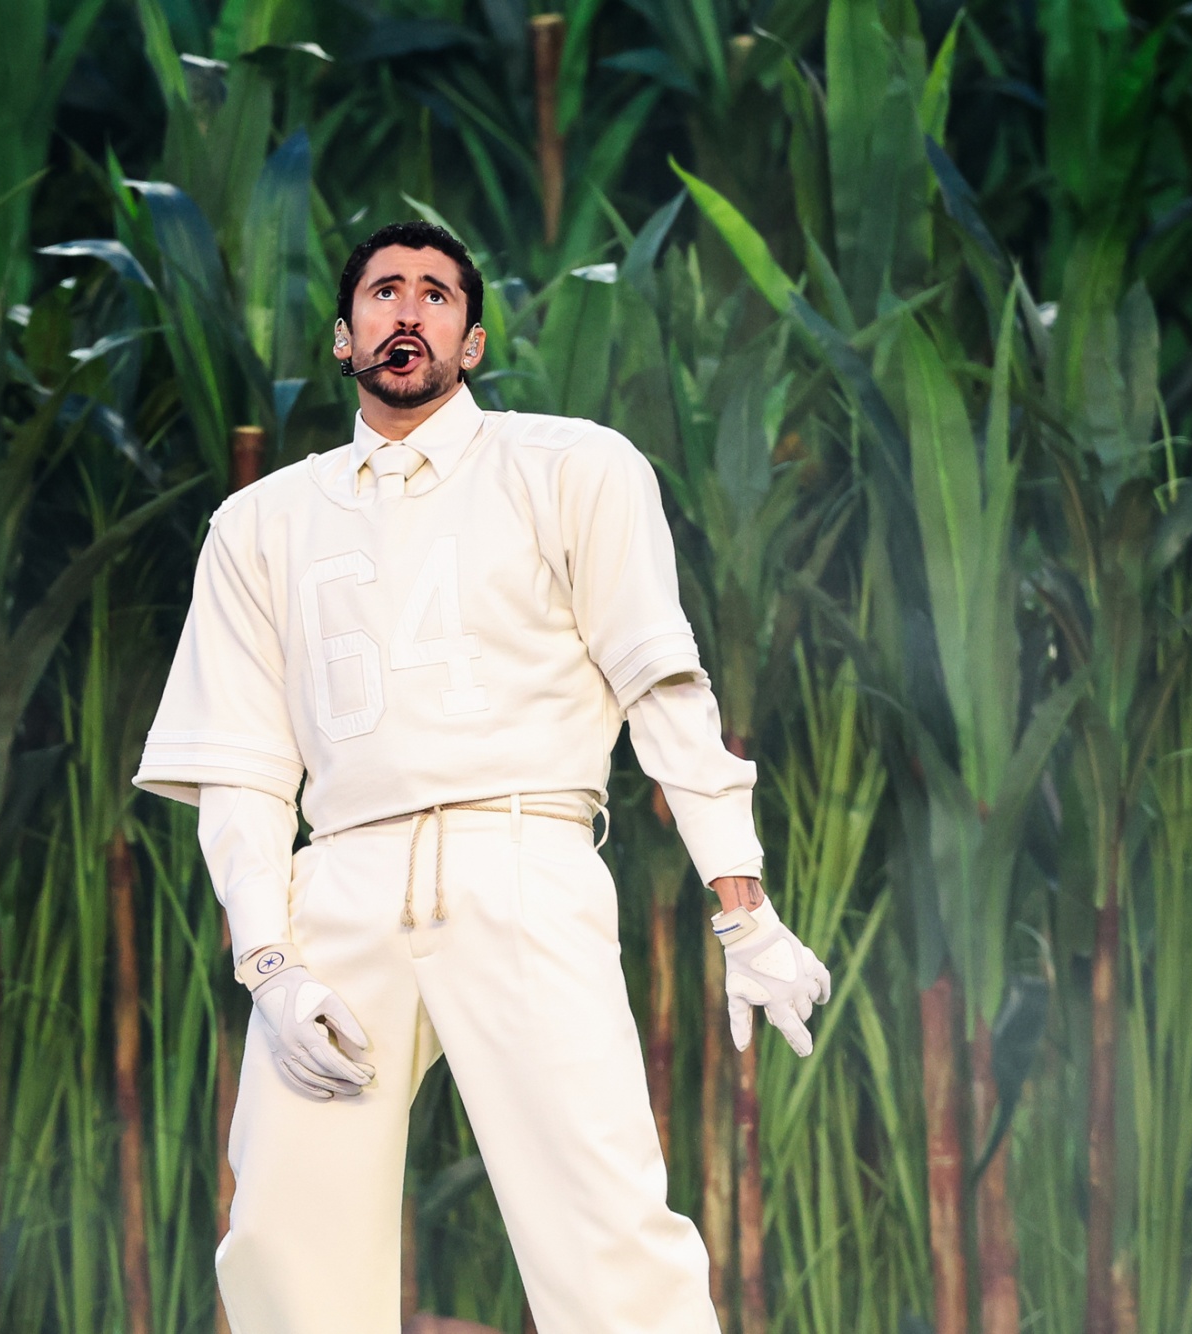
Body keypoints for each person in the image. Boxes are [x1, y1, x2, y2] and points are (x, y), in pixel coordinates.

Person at [133, 220, 830, 1334]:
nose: (406, 310)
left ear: (472, 340)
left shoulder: (571, 466)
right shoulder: (259, 522)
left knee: (603, 1229)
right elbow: (243, 771)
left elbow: (660, 684)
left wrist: (740, 905)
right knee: (278, 1234)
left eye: (435, 293)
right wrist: (268, 965)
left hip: (522, 859)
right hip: (339, 882)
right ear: (344, 336)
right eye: (382, 292)